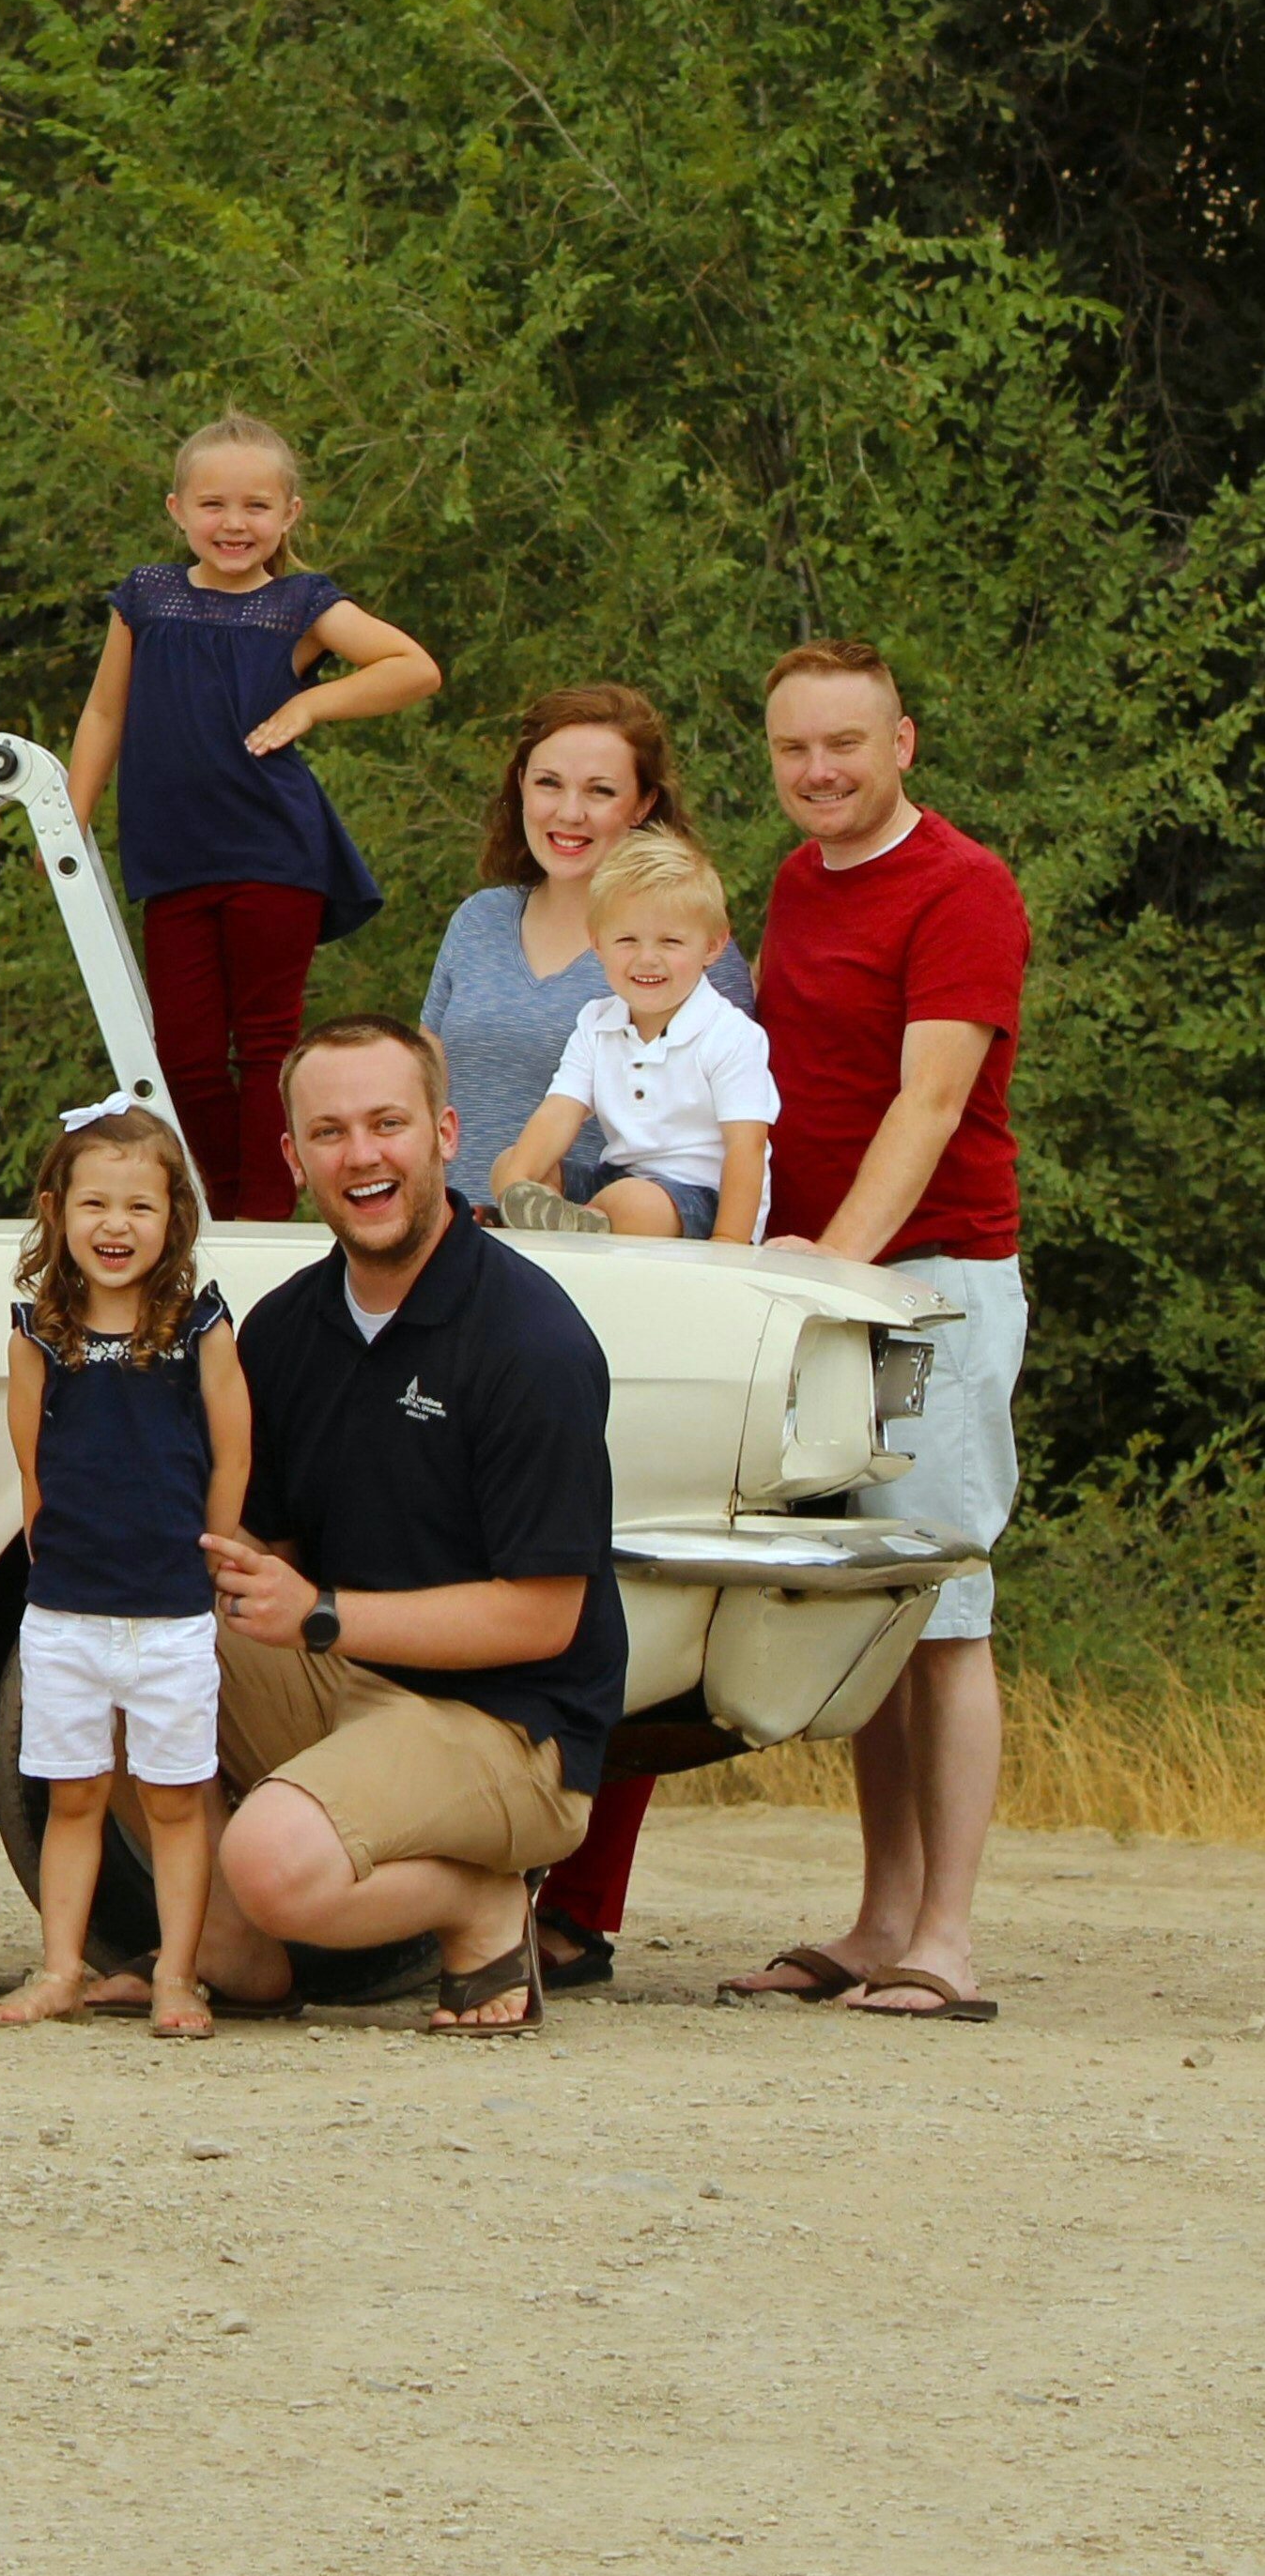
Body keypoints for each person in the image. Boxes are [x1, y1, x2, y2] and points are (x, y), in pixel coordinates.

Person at [412, 682, 753, 1980]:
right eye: (548, 783)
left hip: (613, 1274)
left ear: (645, 802)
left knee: (590, 1568)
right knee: (454, 1556)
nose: (569, 811)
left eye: (600, 788)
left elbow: (720, 1118)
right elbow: (430, 1072)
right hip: (458, 1251)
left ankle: (579, 1899)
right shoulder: (478, 920)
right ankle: (461, 1866)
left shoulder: (680, 937)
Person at [194, 1018, 623, 2040]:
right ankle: (235, 1957)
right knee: (86, 1656)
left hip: (506, 1729)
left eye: (386, 1123)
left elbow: (539, 1620)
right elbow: (273, 1554)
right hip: (342, 1684)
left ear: (442, 1134)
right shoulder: (286, 1327)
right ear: (295, 1159)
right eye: (330, 1132)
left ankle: (477, 1907)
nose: (361, 1155)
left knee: (272, 1858)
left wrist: (319, 1616)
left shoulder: (530, 1339)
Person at [718, 643, 1031, 2026]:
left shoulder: (962, 888)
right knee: (869, 1605)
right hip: (827, 1281)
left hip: (929, 1281)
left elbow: (928, 1103)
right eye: (793, 749)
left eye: (843, 743)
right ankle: (879, 1916)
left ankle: (948, 1938)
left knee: (944, 1603)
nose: (817, 771)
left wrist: (833, 1269)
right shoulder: (797, 882)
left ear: (900, 740)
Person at [63, 415, 439, 1221]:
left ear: (290, 515)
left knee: (265, 1044)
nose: (235, 524)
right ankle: (215, 1207)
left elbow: (414, 667)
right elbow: (103, 713)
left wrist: (312, 703)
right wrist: (73, 819)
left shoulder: (298, 603)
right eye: (215, 505)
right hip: (174, 859)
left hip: (275, 852)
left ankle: (265, 1218)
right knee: (186, 1056)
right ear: (178, 508)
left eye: (257, 507)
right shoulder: (148, 597)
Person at [0, 1106, 244, 2039]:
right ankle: (60, 1966)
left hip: (169, 1615)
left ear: (171, 1216)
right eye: (92, 1202)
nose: (113, 1224)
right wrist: (50, 1561)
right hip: (65, 1614)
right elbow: (29, 1466)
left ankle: (179, 1976)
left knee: (174, 1800)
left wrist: (207, 1558)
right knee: (73, 1795)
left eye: (137, 1205)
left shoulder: (197, 1324)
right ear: (55, 1212)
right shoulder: (37, 1333)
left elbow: (231, 1451)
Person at [483, 828, 773, 1243]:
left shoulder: (729, 1035)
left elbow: (746, 1151)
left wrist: (729, 1243)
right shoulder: (597, 1023)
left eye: (671, 941)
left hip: (698, 1199)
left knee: (635, 1204)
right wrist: (517, 1181)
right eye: (627, 940)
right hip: (613, 1182)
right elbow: (558, 1112)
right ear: (597, 943)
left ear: (713, 945)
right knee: (511, 1162)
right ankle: (545, 1216)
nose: (647, 958)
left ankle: (579, 1224)